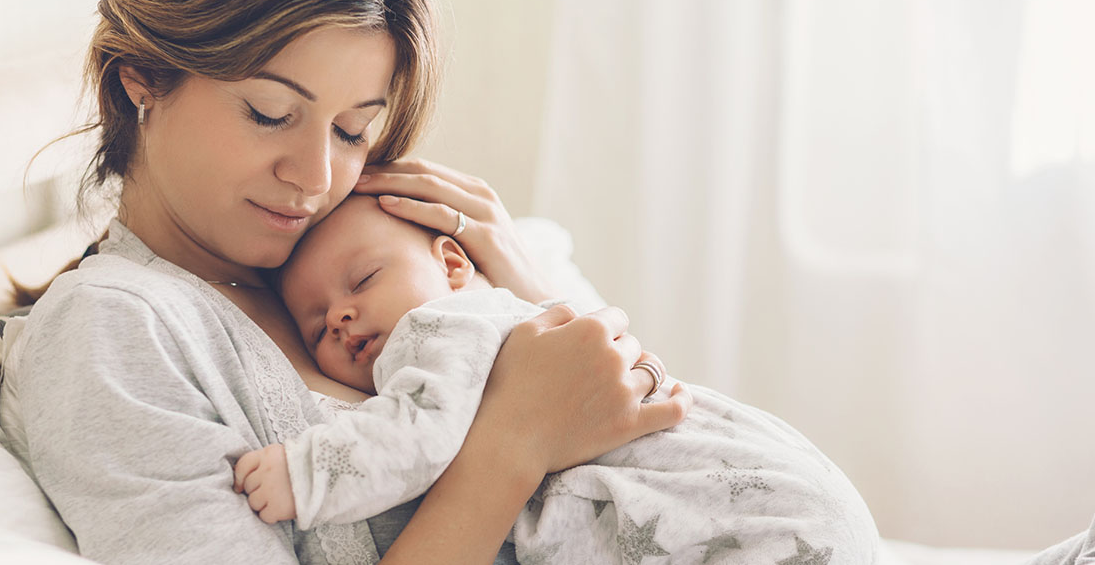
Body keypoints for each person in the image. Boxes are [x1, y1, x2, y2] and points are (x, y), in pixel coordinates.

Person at [0, 0, 691, 563]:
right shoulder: (111, 329)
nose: (316, 179)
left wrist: (523, 289)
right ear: (142, 76)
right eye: (270, 115)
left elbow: (655, 440)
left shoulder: (375, 251)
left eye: (353, 130)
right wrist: (512, 444)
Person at [234, 194, 881, 564]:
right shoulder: (514, 324)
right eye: (316, 325)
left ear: (454, 265)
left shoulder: (443, 327)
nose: (340, 316)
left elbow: (413, 437)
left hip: (748, 511)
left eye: (363, 280)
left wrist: (305, 472)